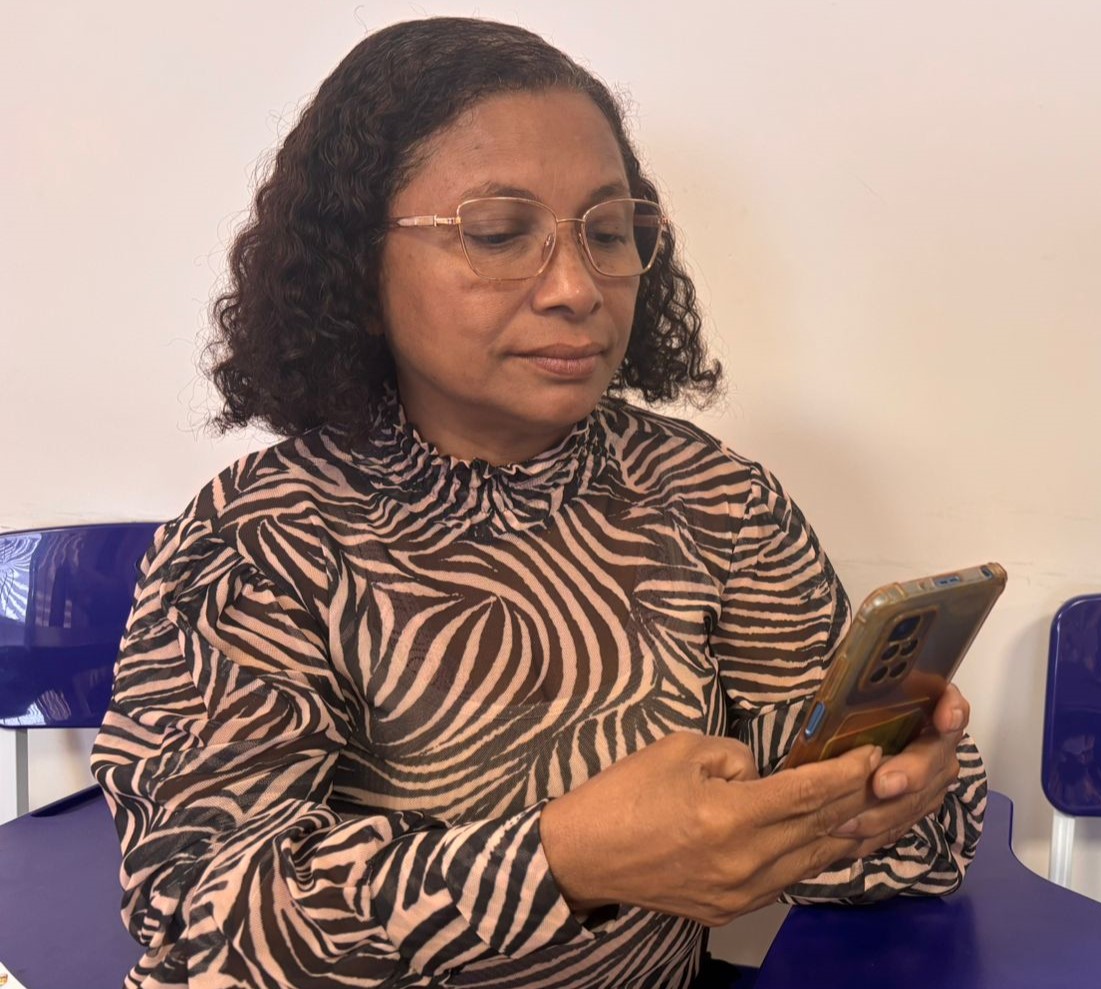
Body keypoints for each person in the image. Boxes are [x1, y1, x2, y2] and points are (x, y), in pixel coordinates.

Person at [90, 17, 987, 989]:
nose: (575, 286)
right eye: (497, 232)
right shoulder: (262, 538)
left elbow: (881, 840)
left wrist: (883, 795)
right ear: (355, 262)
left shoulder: (712, 498)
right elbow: (203, 924)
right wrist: (562, 861)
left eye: (606, 233)